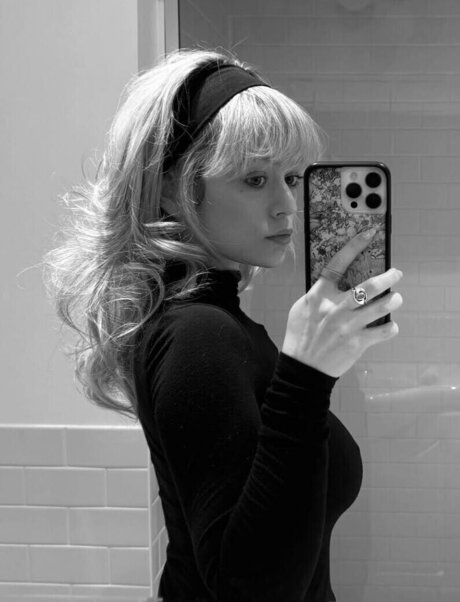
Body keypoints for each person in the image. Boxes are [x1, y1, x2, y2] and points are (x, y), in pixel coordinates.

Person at [43, 48, 403, 602]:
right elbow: (249, 588)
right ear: (172, 188)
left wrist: (316, 372)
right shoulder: (198, 334)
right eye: (255, 179)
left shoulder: (216, 326)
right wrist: (306, 375)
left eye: (290, 177)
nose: (287, 205)